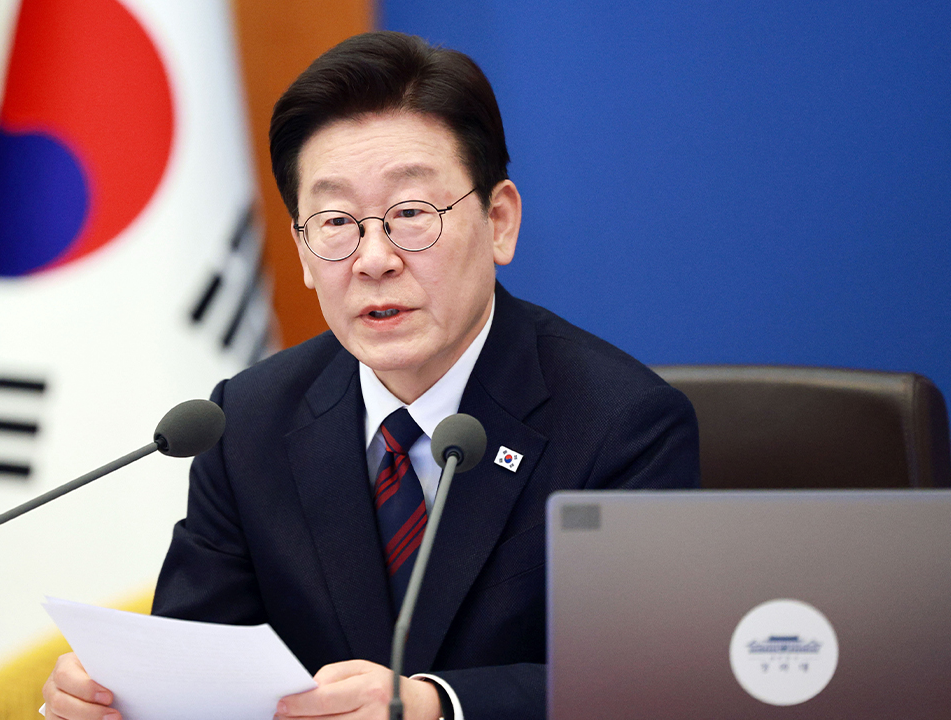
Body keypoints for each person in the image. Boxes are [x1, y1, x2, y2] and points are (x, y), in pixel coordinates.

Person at [43, 31, 698, 720]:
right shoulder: (246, 423)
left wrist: (437, 706)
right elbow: (199, 663)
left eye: (411, 213)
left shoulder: (622, 425)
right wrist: (122, 697)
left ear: (499, 221)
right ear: (302, 251)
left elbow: (643, 685)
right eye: (335, 221)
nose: (374, 258)